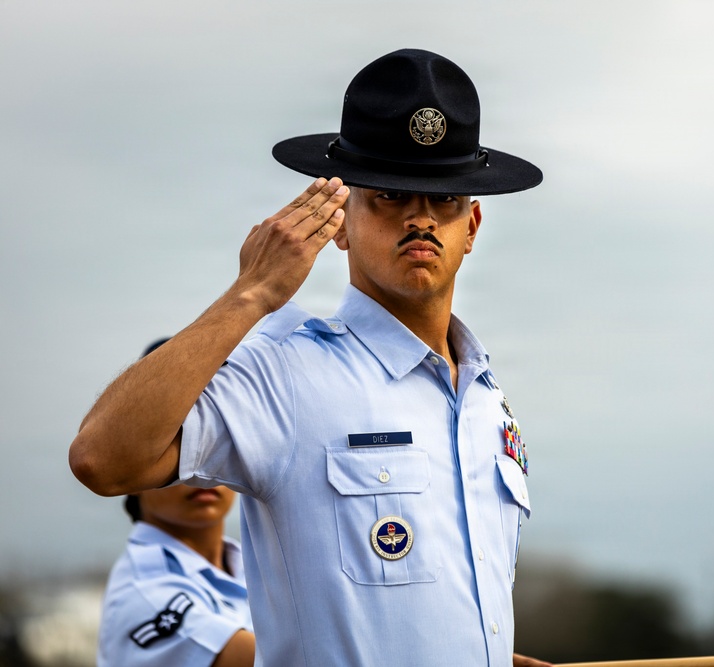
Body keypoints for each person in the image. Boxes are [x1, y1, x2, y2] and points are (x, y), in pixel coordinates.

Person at [70, 49, 550, 667]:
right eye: (389, 195)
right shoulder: (286, 373)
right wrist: (251, 295)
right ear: (339, 222)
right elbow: (102, 461)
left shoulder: (485, 395)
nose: (421, 218)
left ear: (473, 225)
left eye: (447, 200)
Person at [97, 339, 254, 667]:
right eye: (174, 452)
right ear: (133, 471)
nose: (199, 471)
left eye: (217, 442)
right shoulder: (143, 592)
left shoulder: (255, 566)